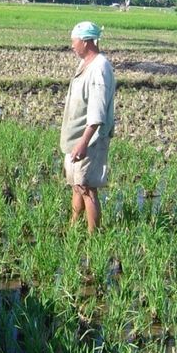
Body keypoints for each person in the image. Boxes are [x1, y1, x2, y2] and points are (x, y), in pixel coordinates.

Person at [59, 21, 115, 233]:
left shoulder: (99, 68)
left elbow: (97, 112)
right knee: (77, 185)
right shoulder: (85, 63)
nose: (72, 46)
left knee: (88, 188)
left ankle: (94, 236)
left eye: (74, 41)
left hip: (89, 140)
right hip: (76, 137)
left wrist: (83, 142)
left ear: (86, 42)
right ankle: (73, 227)